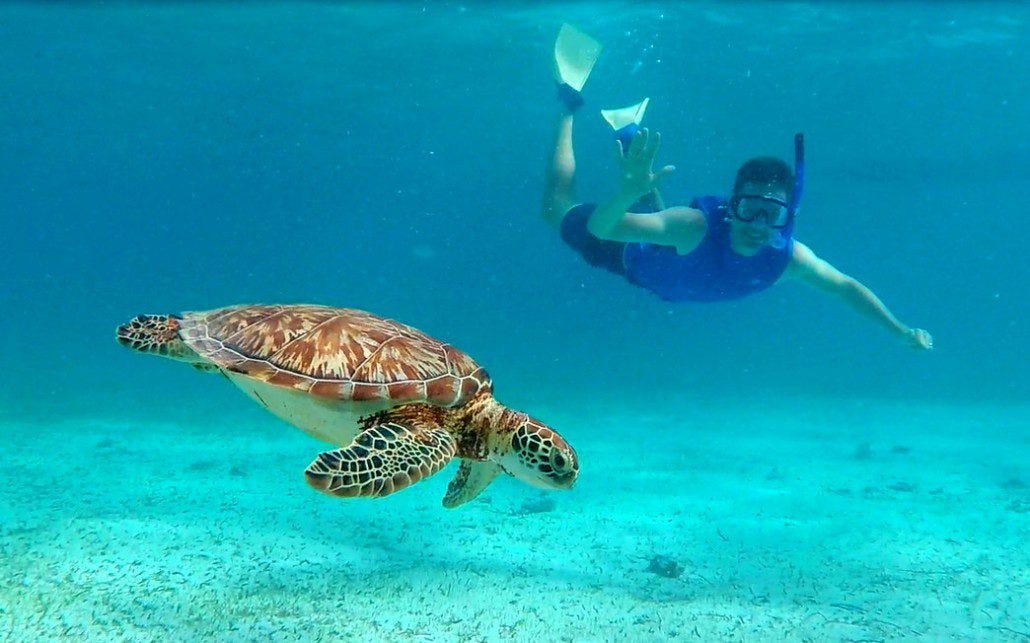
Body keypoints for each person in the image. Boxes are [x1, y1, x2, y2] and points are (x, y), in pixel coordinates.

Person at [542, 24, 933, 350]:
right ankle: (569, 106)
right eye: (749, 209)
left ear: (787, 217)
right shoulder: (692, 225)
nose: (758, 225)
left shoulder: (789, 259)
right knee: (556, 208)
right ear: (732, 205)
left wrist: (900, 332)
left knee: (658, 226)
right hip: (626, 258)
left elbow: (846, 288)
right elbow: (602, 229)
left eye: (772, 214)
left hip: (662, 261)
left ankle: (630, 134)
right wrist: (626, 193)